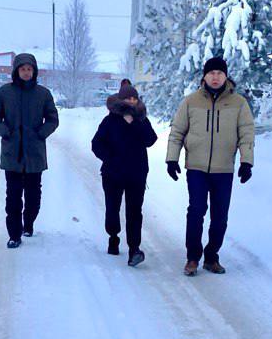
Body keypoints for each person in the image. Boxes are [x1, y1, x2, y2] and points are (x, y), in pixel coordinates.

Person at [165, 56, 255, 276]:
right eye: (211, 73)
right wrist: (172, 159)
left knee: (220, 215)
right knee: (196, 211)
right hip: (196, 167)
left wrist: (246, 161)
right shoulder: (190, 101)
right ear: (204, 76)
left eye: (219, 73)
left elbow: (246, 134)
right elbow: (177, 132)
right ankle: (193, 258)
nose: (215, 77)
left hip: (224, 169)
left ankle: (212, 256)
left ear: (226, 76)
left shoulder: (238, 103)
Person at [0, 52, 59, 248]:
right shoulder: (5, 92)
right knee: (12, 196)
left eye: (30, 69)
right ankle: (14, 234)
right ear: (16, 71)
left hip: (35, 153)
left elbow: (53, 119)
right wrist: (5, 132)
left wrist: (41, 133)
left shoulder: (43, 94)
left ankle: (28, 223)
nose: (26, 72)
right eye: (23, 69)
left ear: (34, 71)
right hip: (12, 153)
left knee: (33, 196)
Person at [92, 80, 157, 267]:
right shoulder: (110, 120)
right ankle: (113, 236)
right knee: (113, 208)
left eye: (134, 98)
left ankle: (134, 249)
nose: (131, 101)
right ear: (121, 100)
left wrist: (135, 123)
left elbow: (150, 140)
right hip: (113, 174)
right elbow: (96, 144)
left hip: (137, 174)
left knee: (135, 212)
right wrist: (110, 158)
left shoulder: (141, 119)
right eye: (128, 98)